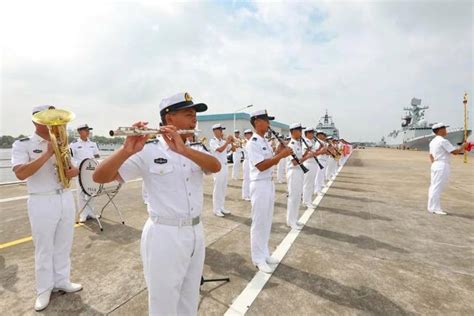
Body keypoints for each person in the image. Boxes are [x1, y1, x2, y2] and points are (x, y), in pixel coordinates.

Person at [93, 92, 220, 315]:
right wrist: (126, 150)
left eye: (195, 114)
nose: (194, 118)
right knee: (164, 302)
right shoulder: (148, 149)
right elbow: (99, 177)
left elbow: (215, 166)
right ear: (169, 119)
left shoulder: (196, 148)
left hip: (195, 231)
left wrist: (184, 150)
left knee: (190, 296)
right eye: (188, 113)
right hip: (165, 234)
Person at [11, 105, 82, 312]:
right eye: (49, 120)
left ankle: (62, 280)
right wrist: (47, 154)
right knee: (44, 248)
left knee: (64, 243)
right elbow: (21, 174)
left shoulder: (63, 142)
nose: (55, 123)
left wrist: (74, 171)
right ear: (36, 121)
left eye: (57, 120)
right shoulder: (23, 144)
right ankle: (44, 289)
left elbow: (74, 167)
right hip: (41, 200)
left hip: (65, 197)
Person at [246, 110, 292, 273]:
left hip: (268, 183)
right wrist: (281, 156)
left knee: (266, 221)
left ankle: (264, 253)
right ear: (257, 121)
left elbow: (270, 160)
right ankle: (257, 258)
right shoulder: (253, 142)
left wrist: (279, 151)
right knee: (259, 222)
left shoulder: (264, 141)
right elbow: (262, 165)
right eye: (266, 120)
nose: (269, 124)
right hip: (259, 185)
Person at [427, 122, 465, 215]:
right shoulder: (443, 141)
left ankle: (431, 207)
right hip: (442, 165)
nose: (446, 130)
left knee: (434, 186)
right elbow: (455, 152)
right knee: (438, 187)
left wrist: (435, 163)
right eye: (445, 128)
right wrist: (463, 146)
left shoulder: (433, 141)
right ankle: (435, 208)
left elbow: (431, 155)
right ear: (440, 130)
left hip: (435, 164)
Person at [69, 124, 100, 222]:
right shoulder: (73, 145)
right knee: (81, 193)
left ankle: (91, 212)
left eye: (88, 130)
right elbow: (71, 158)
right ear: (80, 132)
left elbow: (96, 156)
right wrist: (78, 165)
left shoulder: (93, 144)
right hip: (80, 171)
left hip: (91, 171)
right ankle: (83, 214)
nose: (88, 132)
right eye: (86, 130)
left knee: (92, 191)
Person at [286, 123, 313, 229]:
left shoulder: (297, 144)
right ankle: (290, 221)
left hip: (299, 172)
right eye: (299, 130)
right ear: (293, 132)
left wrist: (306, 153)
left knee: (297, 197)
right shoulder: (291, 144)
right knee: (293, 197)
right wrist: (307, 157)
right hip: (293, 172)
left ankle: (294, 219)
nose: (301, 133)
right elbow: (294, 162)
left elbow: (300, 158)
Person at [209, 123, 234, 216]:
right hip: (217, 167)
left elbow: (232, 149)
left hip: (224, 166)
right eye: (220, 130)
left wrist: (231, 141)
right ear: (215, 131)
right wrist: (227, 142)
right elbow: (219, 150)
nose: (222, 132)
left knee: (223, 187)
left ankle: (221, 207)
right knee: (218, 188)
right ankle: (216, 209)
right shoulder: (212, 141)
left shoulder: (223, 141)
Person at [302, 128, 325, 209]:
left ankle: (308, 200)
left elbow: (314, 152)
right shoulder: (306, 141)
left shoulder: (311, 141)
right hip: (308, 164)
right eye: (311, 132)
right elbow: (308, 154)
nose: (313, 134)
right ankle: (306, 201)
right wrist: (320, 152)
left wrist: (319, 149)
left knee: (310, 184)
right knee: (308, 184)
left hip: (313, 164)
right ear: (307, 133)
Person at [314, 131, 329, 196]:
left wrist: (327, 151)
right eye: (321, 134)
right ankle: (317, 190)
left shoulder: (324, 143)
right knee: (318, 176)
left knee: (321, 175)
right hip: (320, 160)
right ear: (318, 136)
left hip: (324, 159)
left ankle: (318, 189)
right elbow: (318, 152)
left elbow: (326, 152)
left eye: (323, 134)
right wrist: (324, 151)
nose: (323, 136)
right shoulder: (318, 143)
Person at [241, 129, 253, 201]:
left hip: (251, 162)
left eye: (250, 133)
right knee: (246, 179)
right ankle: (245, 195)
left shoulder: (251, 142)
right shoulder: (245, 142)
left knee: (251, 178)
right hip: (247, 161)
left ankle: (249, 193)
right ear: (245, 135)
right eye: (248, 134)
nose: (250, 135)